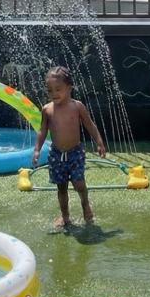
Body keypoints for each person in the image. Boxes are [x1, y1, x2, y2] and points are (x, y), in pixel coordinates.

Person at [33, 66, 106, 231]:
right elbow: (42, 130)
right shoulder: (47, 109)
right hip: (57, 153)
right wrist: (37, 149)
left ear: (69, 88)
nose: (54, 93)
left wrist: (99, 141)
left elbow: (90, 125)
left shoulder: (77, 106)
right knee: (61, 187)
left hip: (75, 152)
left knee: (79, 182)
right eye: (50, 90)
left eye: (58, 89)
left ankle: (85, 205)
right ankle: (65, 216)